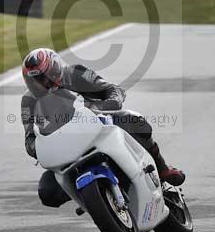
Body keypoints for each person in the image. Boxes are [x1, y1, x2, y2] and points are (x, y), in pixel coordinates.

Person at [20, 48, 185, 208]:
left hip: (98, 123)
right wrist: (40, 147)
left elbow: (113, 89)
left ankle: (162, 168)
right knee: (47, 192)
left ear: (56, 69)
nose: (42, 84)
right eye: (36, 80)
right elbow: (29, 138)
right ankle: (90, 197)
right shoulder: (28, 101)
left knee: (134, 120)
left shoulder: (78, 72)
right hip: (65, 146)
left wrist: (109, 104)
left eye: (45, 77)